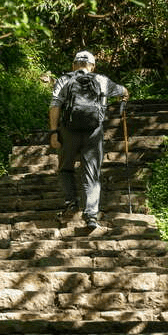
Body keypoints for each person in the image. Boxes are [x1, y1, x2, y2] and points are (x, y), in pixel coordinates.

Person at [48, 50, 128, 230]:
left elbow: (55, 105)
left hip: (68, 131)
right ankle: (91, 216)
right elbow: (123, 90)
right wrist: (125, 96)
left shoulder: (64, 80)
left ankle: (71, 203)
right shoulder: (102, 80)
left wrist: (53, 132)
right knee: (91, 172)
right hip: (94, 132)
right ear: (92, 66)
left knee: (65, 168)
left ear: (74, 65)